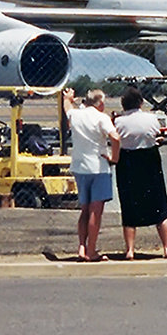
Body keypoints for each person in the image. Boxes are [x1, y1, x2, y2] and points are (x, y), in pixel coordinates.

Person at [113, 87, 167, 259]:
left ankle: (130, 250)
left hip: (127, 162)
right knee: (160, 204)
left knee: (129, 205)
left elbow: (116, 139)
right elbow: (154, 134)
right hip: (149, 159)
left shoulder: (118, 122)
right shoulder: (151, 118)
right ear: (140, 102)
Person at [63, 87, 120, 262]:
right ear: (100, 102)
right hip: (98, 167)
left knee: (85, 209)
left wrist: (68, 98)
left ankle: (82, 246)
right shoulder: (102, 118)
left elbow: (67, 109)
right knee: (96, 211)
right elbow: (115, 138)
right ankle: (92, 250)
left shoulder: (76, 115)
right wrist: (114, 158)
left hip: (80, 166)